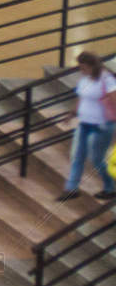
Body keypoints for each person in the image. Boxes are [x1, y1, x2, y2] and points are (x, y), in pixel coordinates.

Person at [59, 51, 116, 201]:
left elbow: (114, 100)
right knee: (76, 155)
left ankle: (110, 187)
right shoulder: (85, 79)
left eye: (83, 67)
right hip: (84, 123)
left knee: (96, 158)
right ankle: (71, 189)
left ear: (92, 66)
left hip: (102, 125)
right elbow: (81, 98)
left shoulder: (106, 79)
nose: (81, 70)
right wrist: (72, 114)